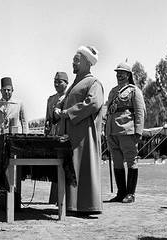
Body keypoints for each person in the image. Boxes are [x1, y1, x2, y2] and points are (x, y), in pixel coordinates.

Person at [55, 45, 104, 215]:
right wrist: (59, 108)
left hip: (83, 135)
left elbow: (93, 103)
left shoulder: (93, 82)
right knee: (71, 166)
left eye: (76, 60)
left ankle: (86, 205)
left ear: (86, 62)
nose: (73, 63)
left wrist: (68, 113)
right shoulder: (75, 84)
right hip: (70, 133)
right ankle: (70, 204)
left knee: (82, 167)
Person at [106, 62, 146, 203]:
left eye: (122, 72)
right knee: (117, 162)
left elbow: (140, 112)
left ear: (128, 75)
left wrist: (138, 131)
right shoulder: (112, 91)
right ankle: (121, 192)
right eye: (117, 72)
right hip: (112, 131)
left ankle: (130, 194)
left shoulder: (134, 91)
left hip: (127, 130)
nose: (119, 75)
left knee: (131, 160)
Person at [44, 72, 68, 204]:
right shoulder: (51, 99)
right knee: (54, 166)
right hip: (54, 134)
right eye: (55, 81)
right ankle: (54, 198)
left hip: (65, 133)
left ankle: (64, 198)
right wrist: (46, 130)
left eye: (60, 81)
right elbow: (48, 118)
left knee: (65, 166)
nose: (57, 84)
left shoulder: (70, 97)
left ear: (66, 82)